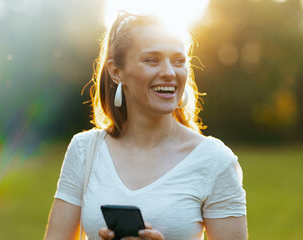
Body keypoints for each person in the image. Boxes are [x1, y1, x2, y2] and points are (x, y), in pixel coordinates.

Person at [44, 11, 247, 240]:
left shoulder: (215, 161)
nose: (170, 73)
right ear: (116, 71)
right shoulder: (84, 150)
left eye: (179, 61)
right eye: (152, 60)